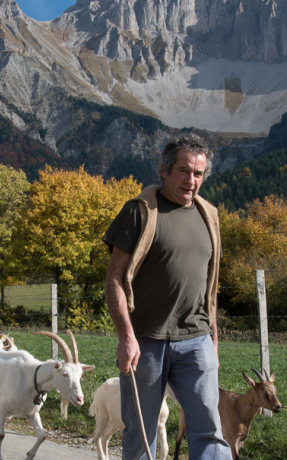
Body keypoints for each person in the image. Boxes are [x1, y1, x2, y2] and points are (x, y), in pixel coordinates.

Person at [103, 135, 231, 460]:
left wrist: (213, 335)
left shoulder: (209, 217)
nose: (191, 180)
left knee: (209, 429)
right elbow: (114, 278)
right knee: (140, 435)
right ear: (164, 170)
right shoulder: (139, 212)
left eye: (198, 173)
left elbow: (209, 284)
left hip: (197, 340)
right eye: (183, 171)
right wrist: (125, 336)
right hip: (145, 341)